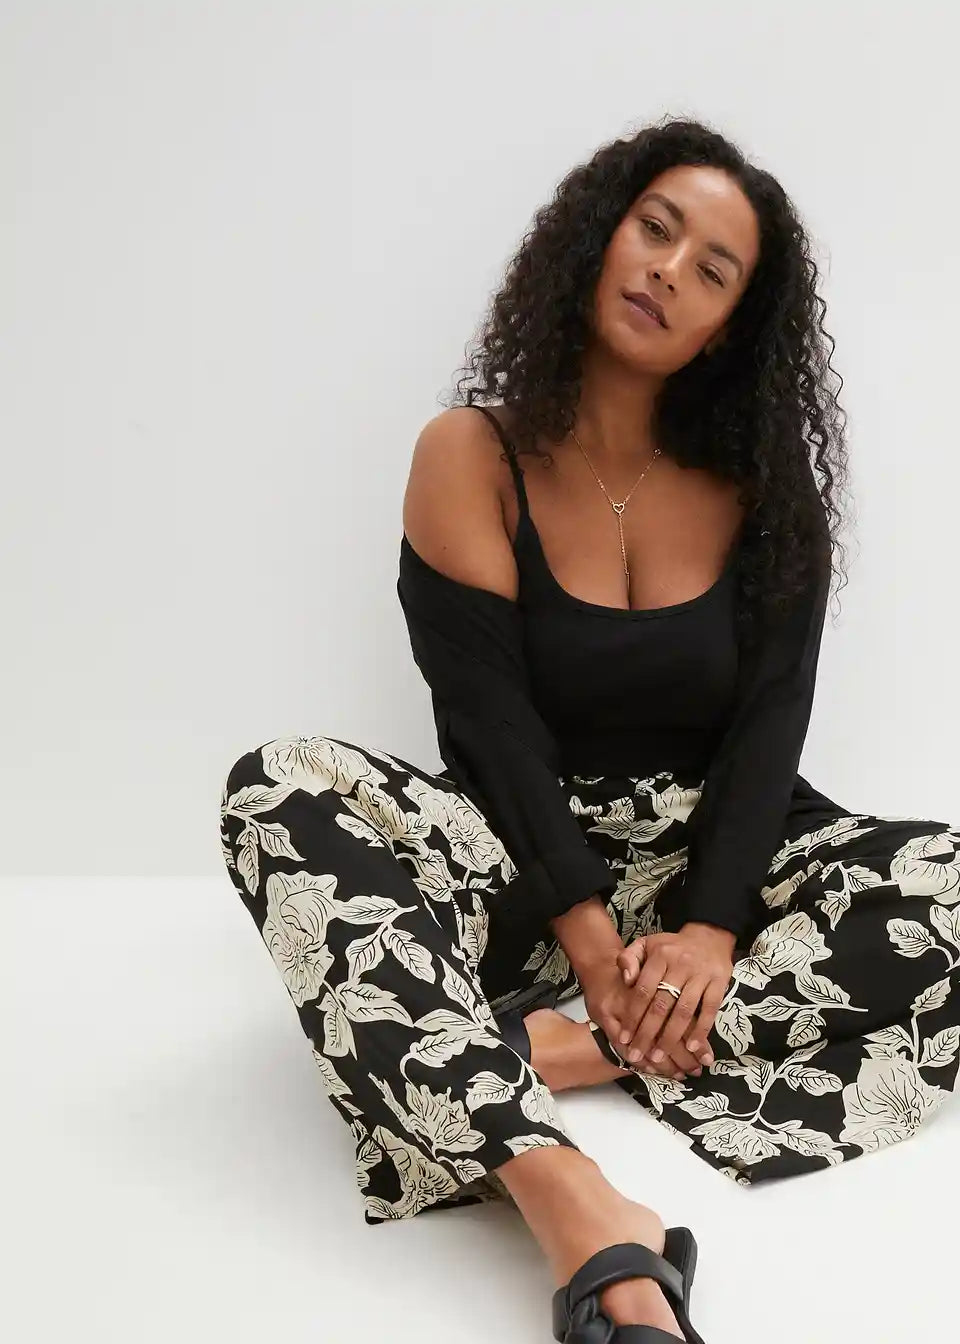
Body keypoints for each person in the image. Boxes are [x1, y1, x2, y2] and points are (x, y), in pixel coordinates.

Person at [219, 117, 960, 1343]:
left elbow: (770, 731)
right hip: (520, 858)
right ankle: (573, 1201)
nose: (669, 270)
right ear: (596, 236)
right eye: (655, 230)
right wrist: (590, 937)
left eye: (712, 270)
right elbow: (489, 727)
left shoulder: (769, 495)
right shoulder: (470, 453)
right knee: (279, 783)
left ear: (731, 327)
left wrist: (710, 929)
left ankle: (556, 1053)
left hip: (716, 866)